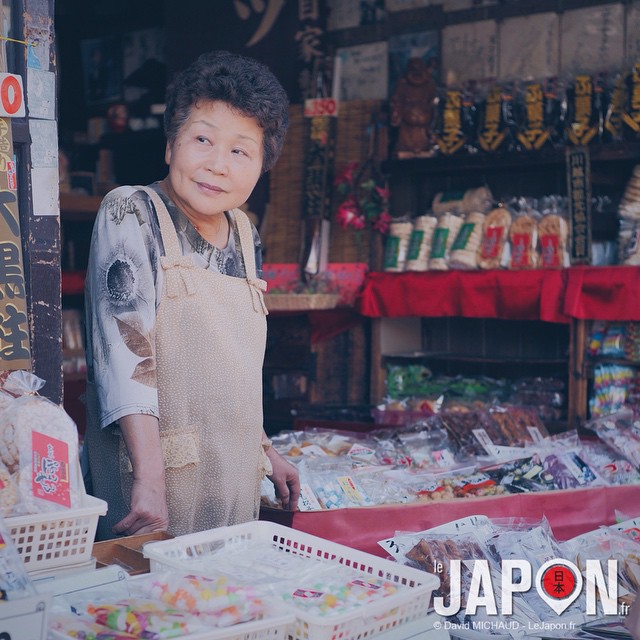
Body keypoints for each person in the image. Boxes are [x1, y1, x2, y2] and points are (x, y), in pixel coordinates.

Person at [83, 50, 300, 540]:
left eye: (240, 151)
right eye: (202, 139)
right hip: (153, 485)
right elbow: (123, 354)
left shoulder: (245, 233)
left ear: (263, 166)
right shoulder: (131, 212)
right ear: (170, 146)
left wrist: (264, 451)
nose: (217, 165)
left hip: (231, 480)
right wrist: (149, 477)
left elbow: (232, 366)